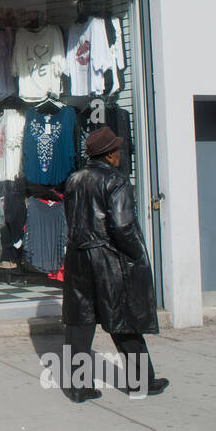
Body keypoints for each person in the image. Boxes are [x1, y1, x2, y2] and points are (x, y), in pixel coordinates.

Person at [61, 127, 169, 402]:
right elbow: (122, 226)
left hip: (78, 256)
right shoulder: (117, 181)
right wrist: (136, 255)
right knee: (123, 320)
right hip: (108, 258)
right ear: (110, 154)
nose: (121, 153)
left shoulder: (73, 179)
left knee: (80, 323)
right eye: (118, 149)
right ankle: (141, 381)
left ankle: (78, 385)